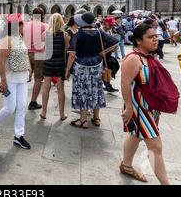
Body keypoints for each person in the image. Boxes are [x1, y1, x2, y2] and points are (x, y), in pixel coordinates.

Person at [120, 24, 170, 184]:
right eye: (150, 37)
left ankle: (126, 166)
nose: (155, 39)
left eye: (156, 36)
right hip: (138, 107)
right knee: (156, 147)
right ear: (138, 41)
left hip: (150, 106)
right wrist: (128, 107)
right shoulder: (133, 58)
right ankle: (166, 183)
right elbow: (124, 84)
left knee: (135, 135)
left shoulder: (149, 57)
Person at [65, 12, 118, 129]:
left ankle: (83, 120)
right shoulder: (99, 32)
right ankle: (96, 118)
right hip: (96, 65)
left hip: (81, 66)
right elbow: (115, 42)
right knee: (96, 89)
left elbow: (72, 54)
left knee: (82, 90)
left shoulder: (78, 35)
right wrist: (103, 53)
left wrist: (67, 70)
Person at [0, 13, 31, 149]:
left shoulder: (20, 38)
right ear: (17, 25)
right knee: (10, 108)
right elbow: (1, 61)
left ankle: (18, 136)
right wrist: (3, 80)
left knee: (21, 107)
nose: (24, 27)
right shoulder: (6, 40)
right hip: (10, 80)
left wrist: (29, 68)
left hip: (22, 77)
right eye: (22, 25)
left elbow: (25, 55)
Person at [39, 13, 70, 121]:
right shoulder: (65, 35)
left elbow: (43, 48)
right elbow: (65, 50)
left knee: (46, 86)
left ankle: (44, 111)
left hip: (48, 62)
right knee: (60, 88)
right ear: (61, 22)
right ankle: (61, 114)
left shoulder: (45, 34)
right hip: (60, 63)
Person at [23, 7, 47, 111]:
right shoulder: (46, 26)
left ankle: (19, 100)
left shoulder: (25, 25)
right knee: (38, 79)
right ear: (43, 16)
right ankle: (33, 101)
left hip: (26, 53)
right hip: (40, 54)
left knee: (24, 78)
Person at [101, 17, 120, 92]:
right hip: (102, 54)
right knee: (105, 69)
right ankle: (107, 84)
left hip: (108, 53)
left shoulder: (109, 31)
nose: (112, 27)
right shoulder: (100, 31)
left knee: (113, 65)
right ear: (105, 23)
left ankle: (107, 83)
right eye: (110, 25)